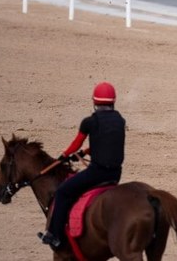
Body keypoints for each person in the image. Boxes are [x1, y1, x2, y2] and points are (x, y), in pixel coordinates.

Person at [38, 82, 126, 250]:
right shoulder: (120, 120)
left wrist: (63, 156)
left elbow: (76, 143)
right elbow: (107, 144)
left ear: (95, 102)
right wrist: (86, 152)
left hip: (97, 173)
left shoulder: (90, 122)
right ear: (113, 101)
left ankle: (54, 235)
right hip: (115, 174)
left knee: (63, 192)